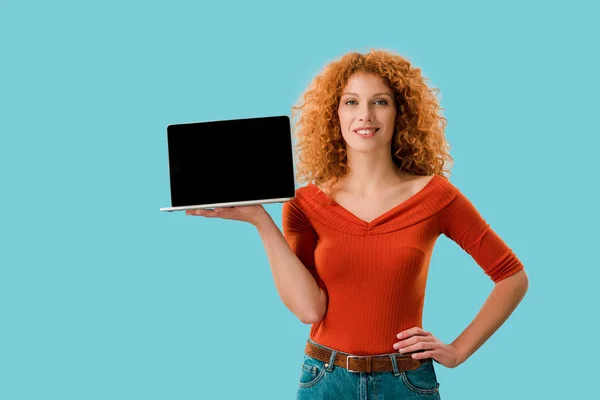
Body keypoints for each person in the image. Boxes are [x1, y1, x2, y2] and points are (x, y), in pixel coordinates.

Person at [186, 49, 529, 399]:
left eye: (379, 102)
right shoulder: (305, 203)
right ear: (335, 113)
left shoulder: (436, 196)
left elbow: (511, 276)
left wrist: (457, 351)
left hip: (407, 382)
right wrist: (260, 220)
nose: (365, 115)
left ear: (400, 113)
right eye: (351, 102)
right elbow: (309, 309)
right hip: (325, 379)